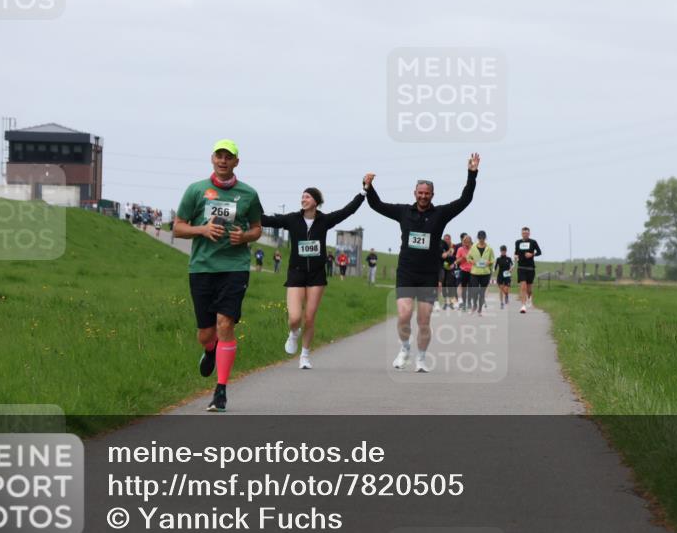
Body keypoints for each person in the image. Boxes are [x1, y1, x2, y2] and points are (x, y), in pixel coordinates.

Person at [364, 153, 480, 373]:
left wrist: (472, 174)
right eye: (420, 193)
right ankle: (405, 348)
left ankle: (422, 358)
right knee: (404, 315)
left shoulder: (441, 214)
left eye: (427, 193)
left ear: (432, 194)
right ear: (414, 194)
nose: (423, 197)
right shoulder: (403, 212)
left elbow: (465, 200)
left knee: (424, 321)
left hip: (428, 274)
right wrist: (369, 188)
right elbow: (376, 205)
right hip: (407, 272)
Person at [173, 139, 262, 412]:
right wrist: (202, 230)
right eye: (219, 156)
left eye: (229, 157)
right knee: (205, 333)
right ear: (212, 159)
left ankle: (220, 391)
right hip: (202, 267)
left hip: (234, 267)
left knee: (225, 324)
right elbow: (177, 227)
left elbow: (257, 228)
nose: (223, 160)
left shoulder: (248, 194)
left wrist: (243, 236)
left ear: (236, 162)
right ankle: (210, 351)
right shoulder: (196, 190)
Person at [262, 187, 364, 369]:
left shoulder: (324, 220)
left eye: (307, 197)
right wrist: (249, 208)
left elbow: (348, 211)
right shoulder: (292, 219)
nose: (303, 199)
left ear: (316, 201)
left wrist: (363, 193)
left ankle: (305, 355)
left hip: (317, 274)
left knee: (309, 318)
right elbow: (268, 220)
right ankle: (294, 333)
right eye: (302, 197)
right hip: (296, 272)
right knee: (295, 318)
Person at [515, 226, 542, 313]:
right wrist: (515, 256)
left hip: (530, 268)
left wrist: (531, 254)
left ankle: (529, 298)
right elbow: (516, 252)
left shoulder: (533, 242)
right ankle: (523, 306)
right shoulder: (518, 242)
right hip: (521, 267)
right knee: (523, 287)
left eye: (526, 233)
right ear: (521, 233)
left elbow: (539, 252)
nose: (525, 235)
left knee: (529, 289)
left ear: (529, 234)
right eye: (523, 233)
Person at [468, 230, 494, 315]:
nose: (481, 240)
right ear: (478, 238)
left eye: (483, 238)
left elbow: (493, 260)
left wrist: (489, 263)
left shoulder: (489, 248)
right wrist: (472, 262)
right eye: (480, 238)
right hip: (475, 272)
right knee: (475, 291)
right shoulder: (473, 247)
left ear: (485, 238)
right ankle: (474, 305)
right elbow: (468, 258)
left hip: (485, 273)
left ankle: (480, 309)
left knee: (482, 292)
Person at [455, 234, 473, 311]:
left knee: (471, 288)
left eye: (468, 242)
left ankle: (469, 302)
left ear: (470, 242)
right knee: (463, 287)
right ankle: (463, 303)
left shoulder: (474, 249)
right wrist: (463, 258)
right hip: (463, 270)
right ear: (463, 242)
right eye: (465, 242)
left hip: (472, 271)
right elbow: (457, 261)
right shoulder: (460, 249)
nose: (467, 244)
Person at [439, 234, 458, 309]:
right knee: (443, 285)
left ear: (450, 239)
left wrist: (453, 263)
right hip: (442, 268)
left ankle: (451, 302)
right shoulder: (441, 246)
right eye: (445, 239)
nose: (446, 240)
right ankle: (445, 302)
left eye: (448, 239)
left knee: (450, 284)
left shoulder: (454, 247)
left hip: (451, 268)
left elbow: (456, 257)